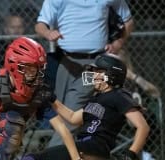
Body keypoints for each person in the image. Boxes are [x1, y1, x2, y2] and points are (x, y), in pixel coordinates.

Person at [35, 0, 134, 147]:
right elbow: (40, 24)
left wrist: (118, 42)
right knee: (60, 112)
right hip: (66, 62)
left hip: (93, 65)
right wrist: (48, 33)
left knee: (73, 109)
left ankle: (51, 154)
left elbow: (128, 20)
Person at [22, 53, 150, 160]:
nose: (93, 75)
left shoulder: (119, 95)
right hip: (84, 144)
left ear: (111, 75)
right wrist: (53, 99)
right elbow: (72, 118)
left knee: (34, 158)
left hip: (96, 146)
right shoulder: (96, 98)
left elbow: (143, 126)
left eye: (98, 71)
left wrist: (131, 153)